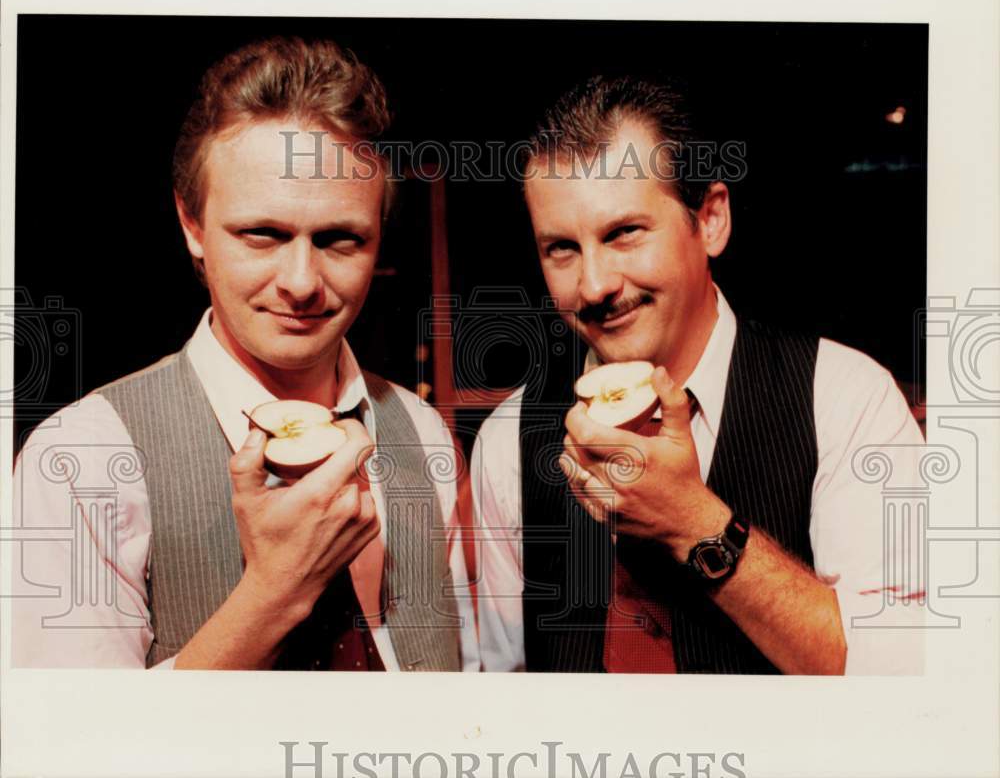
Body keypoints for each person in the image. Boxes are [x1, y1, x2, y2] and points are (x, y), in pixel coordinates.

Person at [12, 36, 478, 671]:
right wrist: (272, 595)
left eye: (341, 239)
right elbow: (77, 751)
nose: (302, 281)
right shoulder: (82, 459)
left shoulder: (423, 437)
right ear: (193, 226)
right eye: (263, 234)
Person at [473, 75, 925, 675]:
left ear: (710, 220)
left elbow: (901, 678)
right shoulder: (509, 438)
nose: (594, 285)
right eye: (562, 248)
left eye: (624, 233)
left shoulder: (845, 398)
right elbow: (502, 690)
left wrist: (694, 523)